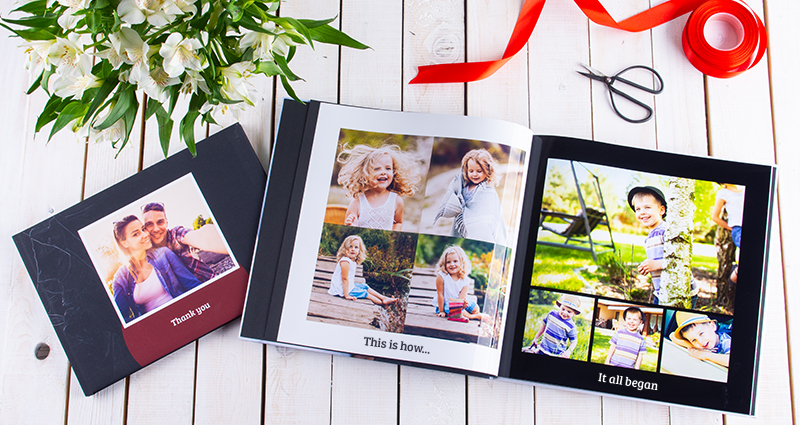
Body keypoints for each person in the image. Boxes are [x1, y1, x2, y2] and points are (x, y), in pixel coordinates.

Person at [111, 215, 202, 323]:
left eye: (143, 229)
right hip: (155, 329)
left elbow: (192, 285)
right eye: (136, 234)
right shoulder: (120, 278)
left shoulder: (164, 254)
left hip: (184, 316)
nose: (145, 235)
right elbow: (122, 319)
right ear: (124, 243)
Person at [336, 144, 421, 231]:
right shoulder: (357, 203)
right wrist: (350, 225)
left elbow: (398, 222)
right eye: (377, 169)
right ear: (365, 173)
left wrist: (393, 235)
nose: (383, 172)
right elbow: (348, 229)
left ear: (394, 172)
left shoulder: (396, 201)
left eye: (388, 168)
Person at [141, 202, 231, 283]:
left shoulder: (176, 235)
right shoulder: (146, 255)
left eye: (160, 222)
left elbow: (201, 236)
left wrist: (228, 243)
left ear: (166, 223)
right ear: (144, 228)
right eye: (149, 224)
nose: (156, 229)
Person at [434, 149, 507, 245]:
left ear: (487, 171)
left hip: (479, 228)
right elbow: (456, 200)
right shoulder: (463, 187)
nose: (474, 174)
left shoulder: (488, 191)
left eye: (479, 171)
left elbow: (492, 215)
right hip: (463, 225)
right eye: (471, 171)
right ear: (466, 170)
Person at [327, 235, 398, 306]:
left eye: (356, 247)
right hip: (341, 290)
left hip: (347, 286)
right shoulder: (345, 261)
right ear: (345, 248)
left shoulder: (352, 261)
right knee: (365, 293)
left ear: (359, 250)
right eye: (350, 246)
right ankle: (382, 304)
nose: (353, 249)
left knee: (364, 286)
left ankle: (383, 298)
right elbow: (344, 279)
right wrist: (347, 295)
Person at [628, 186, 669, 304]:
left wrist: (657, 264)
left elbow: (681, 261)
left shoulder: (666, 231)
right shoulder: (650, 236)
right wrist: (648, 265)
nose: (642, 212)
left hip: (677, 292)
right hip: (660, 292)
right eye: (638, 209)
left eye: (647, 207)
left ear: (661, 210)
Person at [431, 245, 486, 321]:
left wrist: (462, 306)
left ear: (462, 262)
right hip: (445, 304)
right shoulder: (442, 276)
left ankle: (469, 313)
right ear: (444, 264)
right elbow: (440, 294)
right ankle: (475, 317)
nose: (452, 264)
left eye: (455, 261)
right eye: (448, 262)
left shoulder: (465, 280)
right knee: (453, 310)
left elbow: (461, 298)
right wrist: (441, 311)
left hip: (458, 302)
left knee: (475, 308)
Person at [712, 183, 745, 284]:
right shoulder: (723, 193)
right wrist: (731, 227)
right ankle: (732, 279)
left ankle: (735, 274)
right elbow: (715, 217)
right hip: (738, 229)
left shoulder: (744, 187)